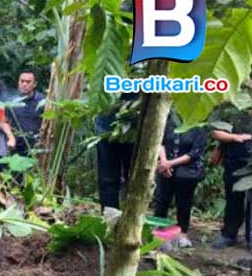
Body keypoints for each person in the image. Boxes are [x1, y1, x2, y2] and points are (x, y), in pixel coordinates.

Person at [153, 112, 208, 248]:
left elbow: (195, 153)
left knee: (184, 203)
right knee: (161, 201)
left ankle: (182, 234)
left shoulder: (198, 124)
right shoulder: (168, 120)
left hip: (187, 172)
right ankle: (159, 234)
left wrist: (170, 163)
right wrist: (164, 161)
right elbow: (160, 142)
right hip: (165, 169)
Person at [210, 103, 252, 250]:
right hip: (234, 161)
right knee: (233, 199)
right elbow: (216, 133)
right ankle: (229, 235)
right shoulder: (232, 109)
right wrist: (235, 137)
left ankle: (250, 239)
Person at [96, 92, 140, 211]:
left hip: (135, 127)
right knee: (108, 177)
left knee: (134, 178)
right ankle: (110, 219)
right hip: (108, 126)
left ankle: (131, 217)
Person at [7, 69, 45, 156]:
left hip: (37, 146)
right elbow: (4, 121)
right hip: (16, 146)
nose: (24, 84)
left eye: (28, 82)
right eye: (22, 81)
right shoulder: (11, 101)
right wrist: (10, 137)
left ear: (35, 84)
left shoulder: (43, 101)